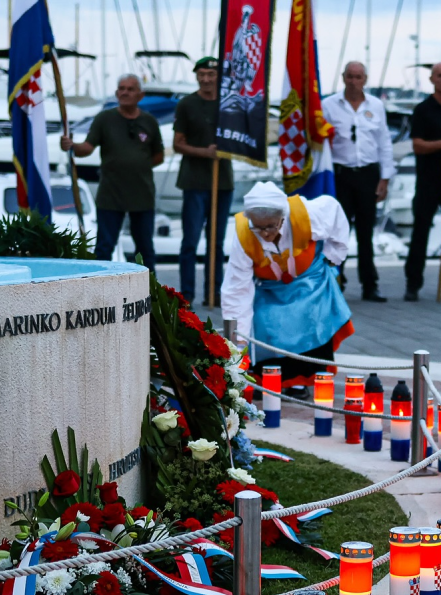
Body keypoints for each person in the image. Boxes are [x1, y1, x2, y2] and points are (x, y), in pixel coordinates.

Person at [221, 181, 354, 395]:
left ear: (282, 218)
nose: (264, 233)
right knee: (266, 319)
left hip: (310, 284)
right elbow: (236, 290)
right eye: (258, 227)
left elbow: (334, 211)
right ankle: (267, 378)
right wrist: (238, 344)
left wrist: (334, 255)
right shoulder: (243, 234)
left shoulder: (306, 214)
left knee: (308, 316)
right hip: (270, 289)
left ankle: (300, 381)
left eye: (271, 226)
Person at [61, 74, 163, 271]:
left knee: (145, 249)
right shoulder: (104, 119)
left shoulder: (150, 122)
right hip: (111, 195)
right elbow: (87, 148)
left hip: (142, 195)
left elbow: (159, 156)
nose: (125, 92)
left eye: (130, 89)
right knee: (104, 247)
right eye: (121, 89)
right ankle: (102, 289)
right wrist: (72, 146)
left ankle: (151, 291)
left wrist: (138, 165)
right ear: (116, 93)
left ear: (140, 95)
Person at [322, 61, 396, 302]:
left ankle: (370, 285)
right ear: (343, 77)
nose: (354, 81)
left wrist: (385, 177)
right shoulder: (329, 105)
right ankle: (336, 281)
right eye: (350, 76)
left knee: (366, 233)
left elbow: (384, 142)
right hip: (341, 174)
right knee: (339, 233)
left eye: (358, 77)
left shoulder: (375, 105)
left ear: (365, 79)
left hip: (368, 175)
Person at [173, 57, 234, 306]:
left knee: (216, 242)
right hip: (195, 181)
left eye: (211, 74)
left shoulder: (229, 104)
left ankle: (214, 292)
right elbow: (178, 143)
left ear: (219, 76)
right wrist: (205, 152)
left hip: (223, 183)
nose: (206, 79)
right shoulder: (187, 104)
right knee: (190, 241)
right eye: (202, 74)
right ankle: (187, 294)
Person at [405, 62, 441, 302]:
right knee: (420, 234)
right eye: (440, 76)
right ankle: (413, 284)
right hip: (427, 181)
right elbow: (417, 145)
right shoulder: (422, 109)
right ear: (432, 79)